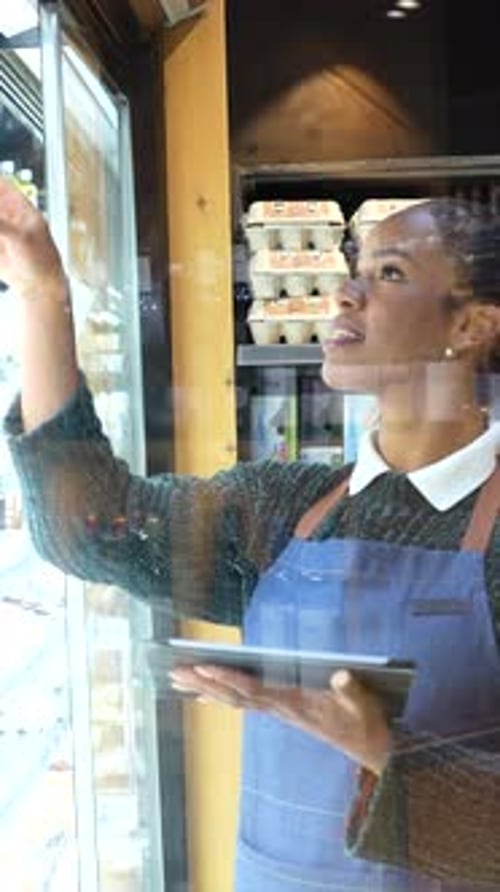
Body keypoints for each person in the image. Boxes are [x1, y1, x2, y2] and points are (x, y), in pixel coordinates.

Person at [2, 176, 500, 890]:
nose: (345, 294)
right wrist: (41, 292)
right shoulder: (277, 506)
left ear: (471, 327)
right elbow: (91, 529)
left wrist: (386, 750)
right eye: (353, 270)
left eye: (389, 273)